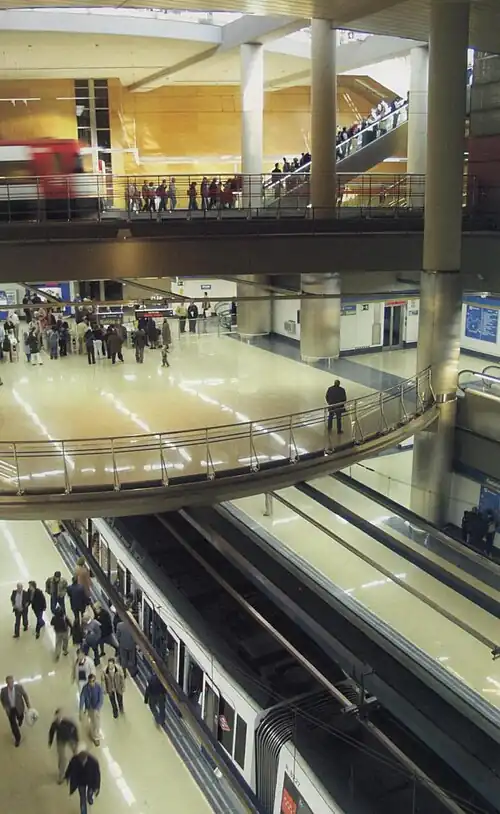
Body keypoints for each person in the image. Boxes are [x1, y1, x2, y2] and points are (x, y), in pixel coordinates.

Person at [65, 750, 101, 814]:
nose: (82, 762)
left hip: (90, 781)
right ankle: (83, 812)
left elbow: (97, 775)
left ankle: (90, 797)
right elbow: (70, 768)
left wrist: (97, 786)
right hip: (81, 782)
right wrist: (67, 776)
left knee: (90, 792)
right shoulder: (75, 760)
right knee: (83, 798)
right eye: (80, 760)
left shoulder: (93, 762)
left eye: (83, 760)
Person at [48, 709, 79, 783]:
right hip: (60, 741)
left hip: (70, 739)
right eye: (57, 717)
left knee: (77, 754)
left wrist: (76, 740)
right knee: (62, 758)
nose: (58, 718)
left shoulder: (68, 723)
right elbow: (51, 732)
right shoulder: (54, 724)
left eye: (60, 716)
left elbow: (75, 729)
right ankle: (61, 775)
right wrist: (50, 742)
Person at [1, 676, 30, 747]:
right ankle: (18, 738)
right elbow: (1, 699)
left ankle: (20, 720)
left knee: (20, 716)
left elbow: (25, 695)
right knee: (13, 724)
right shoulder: (3, 691)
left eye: (12, 682)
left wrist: (28, 705)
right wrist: (5, 707)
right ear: (7, 683)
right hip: (10, 709)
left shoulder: (19, 688)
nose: (10, 684)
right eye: (9, 683)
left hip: (19, 707)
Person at [79, 674, 104, 746]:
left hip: (96, 709)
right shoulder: (85, 688)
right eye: (90, 681)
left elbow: (101, 699)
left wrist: (97, 708)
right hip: (89, 708)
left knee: (97, 723)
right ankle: (94, 733)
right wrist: (81, 709)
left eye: (93, 681)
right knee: (92, 722)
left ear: (95, 681)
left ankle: (96, 737)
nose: (91, 683)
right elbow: (82, 698)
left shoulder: (98, 687)